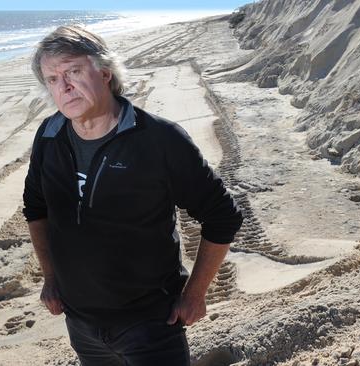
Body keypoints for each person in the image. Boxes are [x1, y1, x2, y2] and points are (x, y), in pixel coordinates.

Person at [22, 24, 243, 366]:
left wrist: (196, 293)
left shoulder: (158, 139)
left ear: (105, 72)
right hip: (80, 323)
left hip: (151, 324)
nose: (63, 87)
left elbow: (222, 216)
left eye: (74, 71)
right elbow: (36, 208)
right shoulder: (49, 136)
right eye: (52, 79)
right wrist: (51, 278)